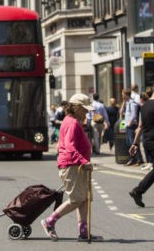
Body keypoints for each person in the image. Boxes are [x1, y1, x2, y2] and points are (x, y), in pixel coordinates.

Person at [41, 94, 102, 242]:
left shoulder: (73, 121)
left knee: (85, 199)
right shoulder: (72, 123)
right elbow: (69, 146)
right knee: (76, 199)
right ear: (76, 108)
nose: (87, 112)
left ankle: (83, 232)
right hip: (72, 165)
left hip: (77, 165)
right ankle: (49, 222)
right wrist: (83, 161)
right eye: (85, 109)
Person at [121, 89, 142, 165]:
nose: (122, 96)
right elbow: (121, 112)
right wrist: (123, 102)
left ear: (126, 95)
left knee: (134, 143)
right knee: (129, 143)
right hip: (127, 125)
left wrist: (130, 122)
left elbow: (134, 114)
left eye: (123, 95)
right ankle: (133, 159)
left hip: (132, 125)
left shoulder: (132, 103)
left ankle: (139, 159)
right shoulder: (127, 103)